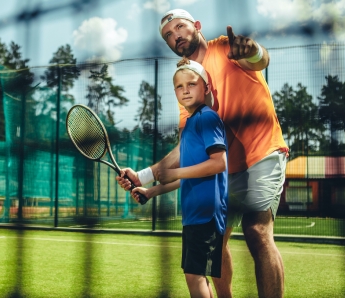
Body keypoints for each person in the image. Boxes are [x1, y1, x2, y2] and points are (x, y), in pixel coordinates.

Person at [117, 8, 288, 298]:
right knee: (216, 246)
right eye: (168, 35)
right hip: (223, 173)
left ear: (196, 26)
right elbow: (187, 147)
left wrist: (253, 49)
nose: (176, 36)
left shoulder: (225, 48)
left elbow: (261, 59)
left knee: (257, 232)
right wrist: (143, 176)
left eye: (180, 27)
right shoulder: (189, 86)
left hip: (262, 153)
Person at [132, 58, 228, 298]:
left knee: (195, 276)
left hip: (206, 213)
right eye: (179, 86)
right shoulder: (191, 124)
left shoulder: (207, 117)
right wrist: (151, 191)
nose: (185, 90)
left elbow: (219, 163)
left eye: (192, 84)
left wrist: (173, 171)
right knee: (196, 275)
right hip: (194, 215)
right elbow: (189, 177)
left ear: (205, 88)